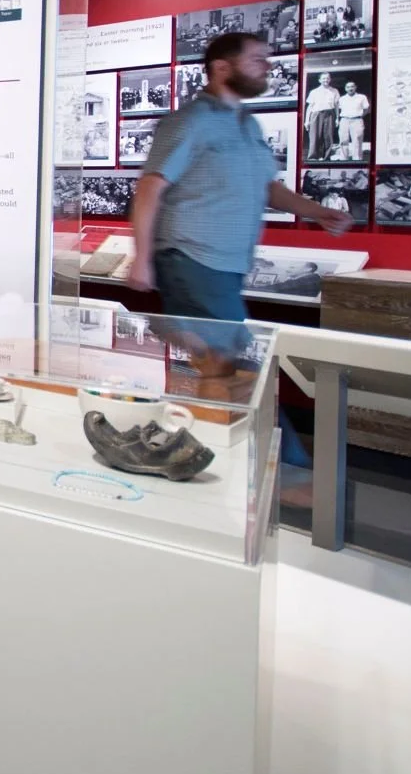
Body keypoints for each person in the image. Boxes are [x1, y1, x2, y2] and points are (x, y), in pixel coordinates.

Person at [129, 32, 352, 466]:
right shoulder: (189, 122)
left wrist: (317, 211)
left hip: (226, 264)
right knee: (234, 365)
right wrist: (141, 258)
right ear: (221, 68)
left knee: (223, 364)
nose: (267, 67)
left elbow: (268, 186)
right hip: (192, 257)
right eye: (257, 60)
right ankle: (284, 470)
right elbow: (150, 188)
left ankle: (211, 457)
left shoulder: (248, 124)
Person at [304, 70, 339, 161]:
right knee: (315, 136)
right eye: (323, 78)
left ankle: (326, 157)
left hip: (330, 114)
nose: (326, 80)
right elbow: (309, 107)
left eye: (327, 78)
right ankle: (313, 157)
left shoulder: (334, 91)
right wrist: (306, 121)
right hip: (316, 114)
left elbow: (336, 106)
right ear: (319, 80)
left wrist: (337, 119)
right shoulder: (314, 92)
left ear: (330, 79)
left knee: (328, 136)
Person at [334, 81, 370, 159]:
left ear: (355, 87)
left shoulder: (362, 97)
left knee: (357, 140)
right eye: (348, 87)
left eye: (352, 86)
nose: (350, 88)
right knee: (343, 140)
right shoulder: (342, 98)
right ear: (345, 89)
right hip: (344, 120)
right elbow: (338, 109)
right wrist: (337, 119)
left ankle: (357, 159)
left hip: (357, 120)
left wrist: (360, 116)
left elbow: (366, 108)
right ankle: (343, 158)